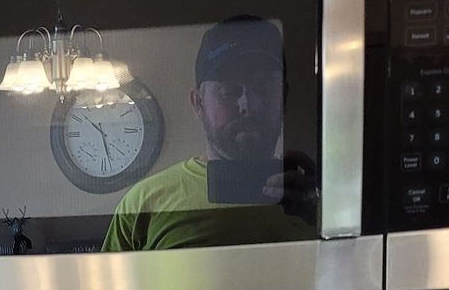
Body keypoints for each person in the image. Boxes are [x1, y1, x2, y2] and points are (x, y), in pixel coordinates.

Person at [101, 16, 319, 252]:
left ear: (282, 97)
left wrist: (319, 212)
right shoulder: (145, 203)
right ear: (199, 104)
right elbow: (105, 288)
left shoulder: (316, 200)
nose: (247, 105)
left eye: (263, 88)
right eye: (228, 91)